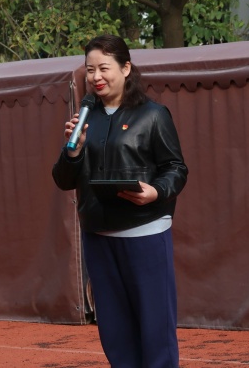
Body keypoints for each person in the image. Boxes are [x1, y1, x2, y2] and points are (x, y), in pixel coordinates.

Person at [52, 34, 188, 368]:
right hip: (98, 235)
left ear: (126, 68)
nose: (96, 77)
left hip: (145, 233)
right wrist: (74, 151)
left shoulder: (153, 115)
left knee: (155, 326)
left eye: (103, 68)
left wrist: (156, 191)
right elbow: (63, 180)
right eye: (89, 70)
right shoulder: (85, 118)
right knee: (115, 330)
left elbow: (175, 168)